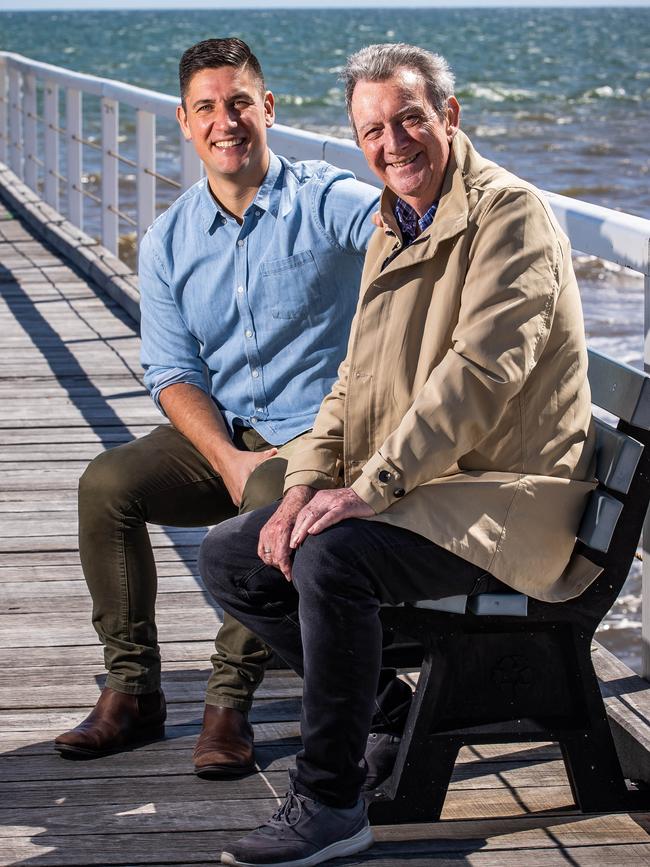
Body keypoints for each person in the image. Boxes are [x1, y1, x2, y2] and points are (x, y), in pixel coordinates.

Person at [200, 42, 598, 867]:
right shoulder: (395, 219)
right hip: (437, 488)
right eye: (372, 130)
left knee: (333, 556)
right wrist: (305, 482)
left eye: (409, 119)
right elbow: (352, 383)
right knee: (237, 553)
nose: (393, 143)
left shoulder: (509, 216)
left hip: (509, 501)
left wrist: (368, 487)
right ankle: (385, 711)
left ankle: (331, 800)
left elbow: (481, 377)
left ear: (448, 117)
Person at [53, 37, 379, 775]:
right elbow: (170, 370)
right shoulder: (170, 238)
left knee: (271, 494)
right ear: (183, 121)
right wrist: (225, 456)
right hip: (227, 427)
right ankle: (132, 689)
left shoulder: (322, 197)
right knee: (105, 486)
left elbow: (400, 220)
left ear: (267, 108)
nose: (224, 121)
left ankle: (229, 700)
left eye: (239, 103)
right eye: (207, 108)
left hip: (318, 435)